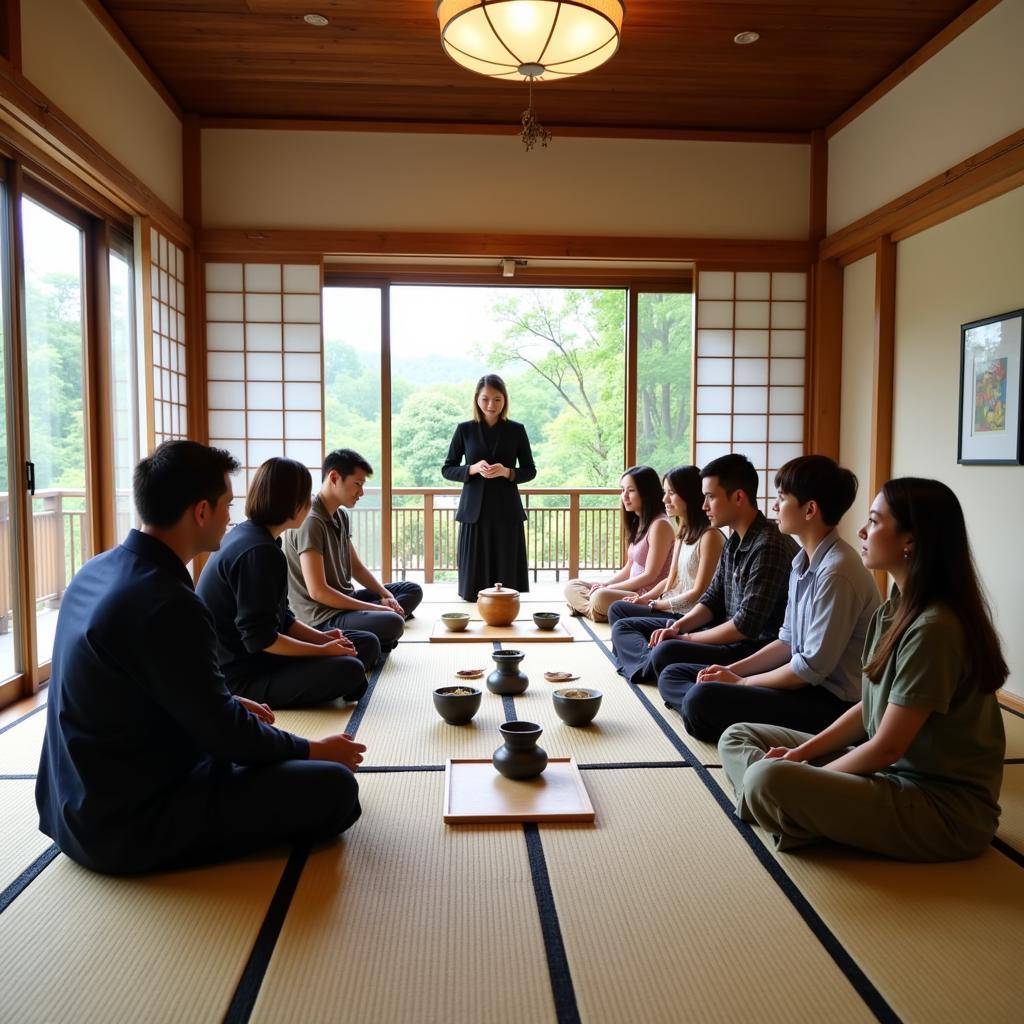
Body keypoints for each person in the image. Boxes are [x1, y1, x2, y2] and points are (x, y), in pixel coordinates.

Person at [36, 441, 365, 876]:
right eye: (227, 504)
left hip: (71, 804)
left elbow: (137, 691)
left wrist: (226, 702)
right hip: (126, 823)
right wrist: (311, 748)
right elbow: (229, 739)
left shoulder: (97, 570)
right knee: (335, 789)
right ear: (201, 511)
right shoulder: (166, 600)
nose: (233, 516)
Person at [719, 477, 1007, 861]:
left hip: (940, 809)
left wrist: (811, 776)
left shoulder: (936, 628)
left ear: (911, 539)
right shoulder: (894, 610)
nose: (861, 530)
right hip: (886, 775)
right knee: (737, 737)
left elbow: (888, 746)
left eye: (873, 521)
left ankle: (785, 810)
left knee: (766, 777)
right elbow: (868, 708)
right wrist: (802, 755)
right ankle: (790, 815)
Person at [664, 455, 879, 742]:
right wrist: (728, 671)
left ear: (810, 509)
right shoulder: (803, 561)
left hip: (832, 705)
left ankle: (716, 716)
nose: (774, 506)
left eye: (781, 497)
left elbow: (808, 670)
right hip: (799, 684)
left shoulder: (837, 572)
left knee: (701, 698)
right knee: (678, 675)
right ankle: (722, 718)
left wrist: (742, 683)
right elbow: (786, 642)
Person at [196, 457, 371, 708]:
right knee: (351, 670)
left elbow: (283, 618)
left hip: (263, 656)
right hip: (241, 677)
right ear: (291, 501)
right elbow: (262, 639)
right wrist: (323, 651)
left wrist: (323, 641)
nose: (310, 503)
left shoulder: (257, 539)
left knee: (362, 643)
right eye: (305, 496)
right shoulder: (258, 552)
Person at [610, 453, 797, 686]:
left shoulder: (768, 545)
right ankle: (652, 667)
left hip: (751, 649)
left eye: (710, 497)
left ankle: (651, 667)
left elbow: (744, 627)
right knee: (625, 626)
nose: (704, 505)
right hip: (721, 632)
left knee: (666, 655)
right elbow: (712, 599)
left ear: (738, 497)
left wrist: (685, 637)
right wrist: (677, 627)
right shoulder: (734, 541)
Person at [285, 448, 422, 665]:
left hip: (345, 600)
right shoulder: (311, 521)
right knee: (393, 622)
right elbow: (318, 592)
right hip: (322, 617)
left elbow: (356, 567)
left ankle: (376, 635)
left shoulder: (340, 515)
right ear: (334, 478)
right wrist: (378, 608)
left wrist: (386, 596)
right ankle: (376, 635)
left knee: (410, 590)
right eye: (358, 484)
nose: (361, 492)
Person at [441, 374, 537, 601]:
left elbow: (530, 470)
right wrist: (471, 469)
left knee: (507, 585)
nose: (491, 405)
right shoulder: (464, 430)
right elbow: (447, 469)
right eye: (485, 399)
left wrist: (507, 472)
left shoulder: (516, 430)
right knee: (473, 585)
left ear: (505, 400)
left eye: (497, 399)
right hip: (474, 512)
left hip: (506, 511)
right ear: (477, 399)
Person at [605, 464, 724, 625]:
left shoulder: (710, 536)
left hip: (687, 614)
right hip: (668, 605)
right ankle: (647, 649)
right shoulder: (683, 532)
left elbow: (698, 592)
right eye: (665, 492)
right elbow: (671, 578)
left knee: (621, 620)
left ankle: (651, 647)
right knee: (618, 609)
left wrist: (656, 604)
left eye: (671, 493)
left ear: (688, 495)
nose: (664, 499)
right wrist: (644, 599)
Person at [564, 465, 676, 622]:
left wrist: (608, 589)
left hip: (643, 597)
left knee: (600, 596)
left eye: (631, 491)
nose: (625, 496)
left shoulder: (660, 525)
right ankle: (597, 612)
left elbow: (651, 576)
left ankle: (592, 611)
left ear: (646, 492)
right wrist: (605, 583)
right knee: (572, 586)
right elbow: (630, 566)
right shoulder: (639, 522)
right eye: (622, 490)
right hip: (628, 590)